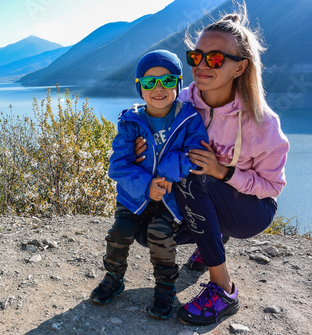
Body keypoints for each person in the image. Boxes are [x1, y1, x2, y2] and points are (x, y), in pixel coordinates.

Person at [134, 4, 289, 326]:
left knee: (195, 176)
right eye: (196, 56)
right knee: (143, 231)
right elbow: (147, 123)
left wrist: (224, 172)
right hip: (201, 199)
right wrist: (142, 147)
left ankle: (224, 289)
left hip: (250, 210)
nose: (202, 65)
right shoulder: (182, 104)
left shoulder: (263, 124)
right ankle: (212, 240)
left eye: (216, 58)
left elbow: (272, 187)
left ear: (239, 67)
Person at [90, 49, 209, 320]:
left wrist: (163, 176)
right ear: (139, 88)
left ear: (178, 84)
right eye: (149, 82)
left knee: (160, 233)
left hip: (169, 197)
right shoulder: (130, 122)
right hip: (133, 197)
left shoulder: (189, 119)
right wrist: (146, 185)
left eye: (167, 81)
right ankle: (113, 277)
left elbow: (194, 153)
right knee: (120, 231)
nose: (158, 88)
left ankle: (165, 287)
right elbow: (118, 165)